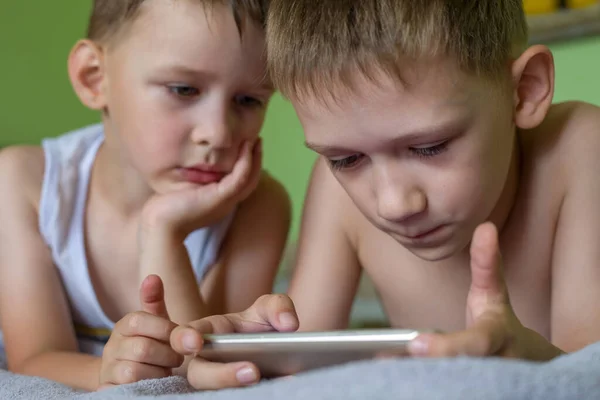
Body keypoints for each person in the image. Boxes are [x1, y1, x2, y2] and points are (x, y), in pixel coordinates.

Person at [173, 0, 600, 390]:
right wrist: (243, 356)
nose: (394, 204)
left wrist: (529, 361)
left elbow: (589, 371)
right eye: (346, 160)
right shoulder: (335, 194)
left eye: (429, 147)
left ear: (525, 89)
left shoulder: (579, 149)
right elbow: (299, 354)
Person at [0, 0, 292, 391]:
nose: (218, 133)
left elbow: (207, 365)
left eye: (248, 100)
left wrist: (163, 231)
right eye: (184, 89)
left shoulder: (260, 204)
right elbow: (35, 358)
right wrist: (108, 375)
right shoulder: (25, 183)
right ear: (94, 78)